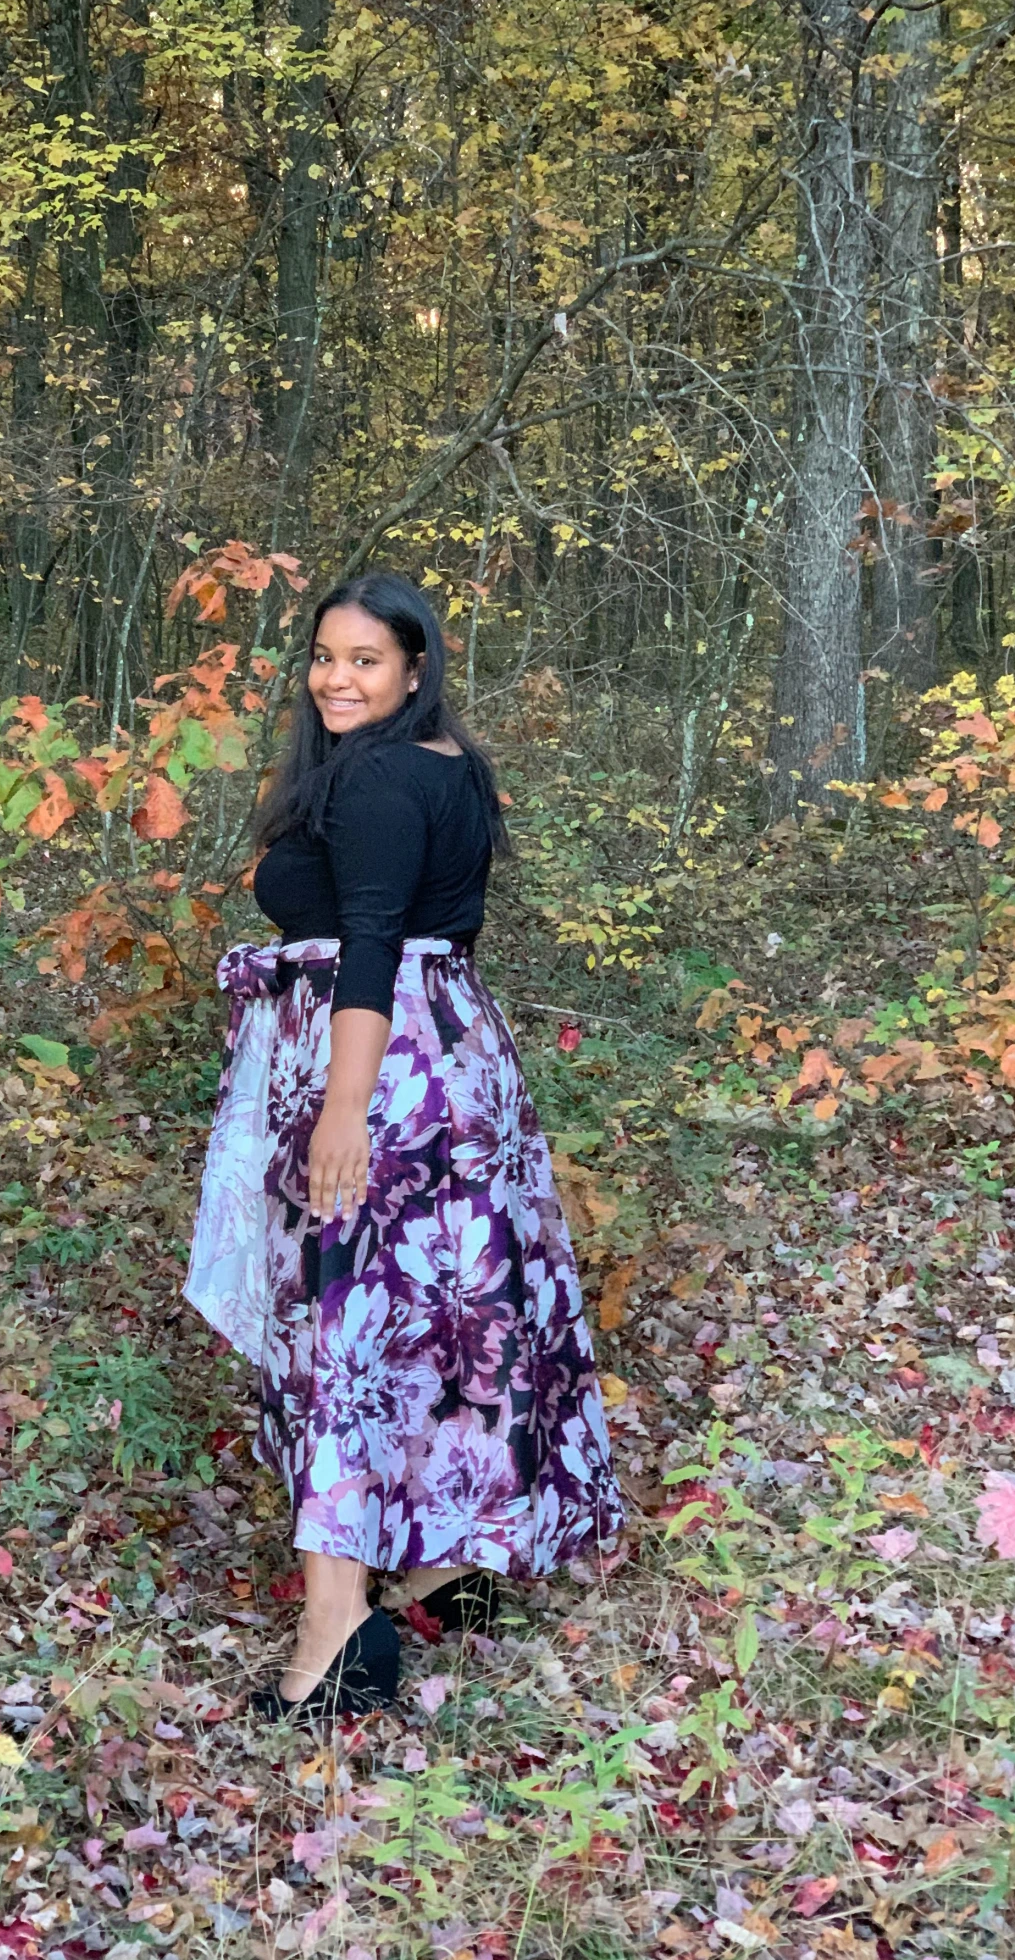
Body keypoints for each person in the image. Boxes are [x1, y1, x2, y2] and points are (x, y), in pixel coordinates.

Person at [186, 569, 623, 1721]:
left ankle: (337, 1628)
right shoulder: (445, 768)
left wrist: (342, 1108)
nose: (337, 677)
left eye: (365, 659)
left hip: (381, 1072)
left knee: (344, 1325)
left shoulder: (379, 777)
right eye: (324, 655)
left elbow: (371, 944)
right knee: (452, 1315)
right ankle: (448, 1564)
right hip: (456, 1065)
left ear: (416, 668)